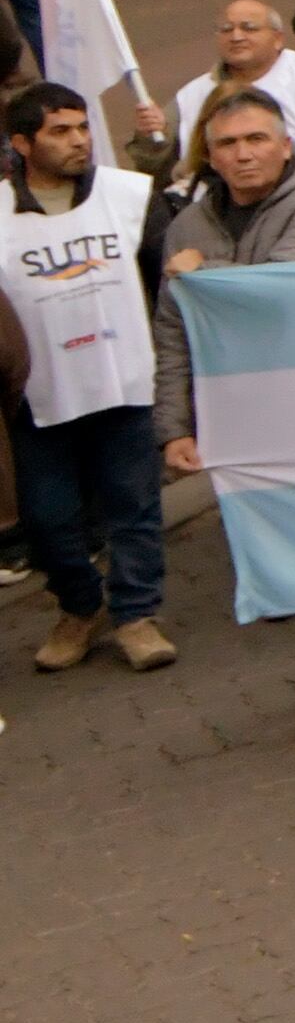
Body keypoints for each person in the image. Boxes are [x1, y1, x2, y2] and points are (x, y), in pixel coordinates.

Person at [146, 89, 295, 738]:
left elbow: (285, 287)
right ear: (209, 156)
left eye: (255, 140)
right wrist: (175, 426)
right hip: (250, 414)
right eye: (227, 144)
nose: (243, 154)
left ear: (285, 144)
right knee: (294, 540)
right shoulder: (188, 227)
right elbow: (172, 331)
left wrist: (202, 273)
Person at [2, 84, 170, 673]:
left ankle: (135, 614)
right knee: (47, 519)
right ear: (21, 143)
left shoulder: (128, 196)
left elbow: (164, 276)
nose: (77, 141)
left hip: (122, 384)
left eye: (81, 127)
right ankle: (79, 605)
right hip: (37, 400)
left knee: (134, 504)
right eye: (59, 131)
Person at [123, 0, 295, 178]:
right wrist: (153, 137)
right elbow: (153, 169)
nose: (236, 37)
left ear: (278, 39)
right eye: (226, 29)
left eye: (249, 28)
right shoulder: (190, 95)